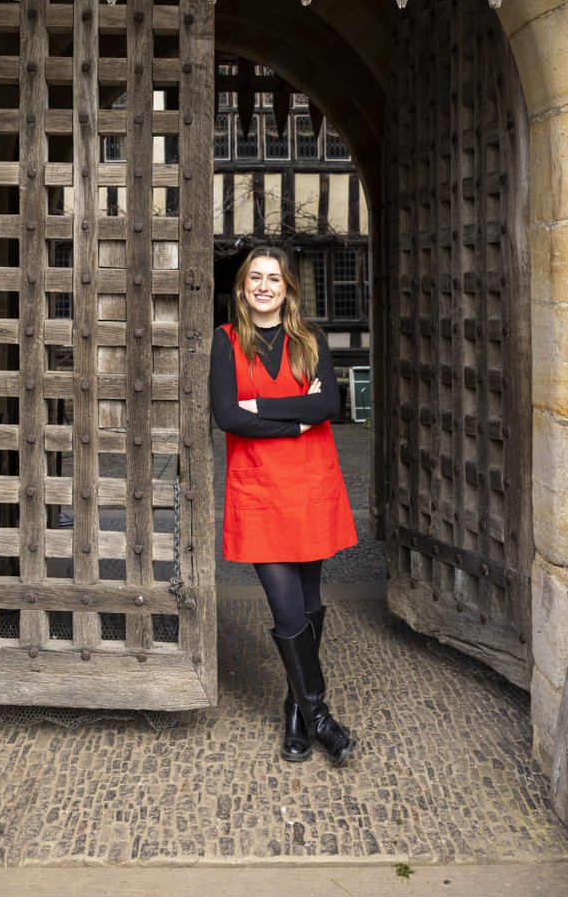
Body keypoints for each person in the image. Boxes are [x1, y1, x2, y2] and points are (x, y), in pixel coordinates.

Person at [210, 245, 359, 766]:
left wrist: (266, 408)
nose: (266, 286)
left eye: (275, 278)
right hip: (258, 490)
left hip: (310, 484)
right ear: (243, 287)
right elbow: (227, 415)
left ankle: (297, 711)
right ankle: (319, 715)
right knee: (286, 606)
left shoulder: (311, 339)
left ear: (288, 287)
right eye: (256, 277)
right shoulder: (225, 341)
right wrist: (297, 420)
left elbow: (328, 404)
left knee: (312, 600)